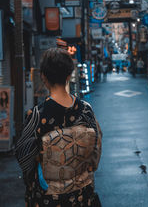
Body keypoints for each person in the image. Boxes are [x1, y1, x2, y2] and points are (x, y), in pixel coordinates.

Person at [15, 48, 102, 207]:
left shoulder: (36, 116)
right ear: (69, 75)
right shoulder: (86, 111)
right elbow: (95, 156)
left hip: (48, 200)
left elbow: (25, 161)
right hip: (82, 197)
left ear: (43, 77)